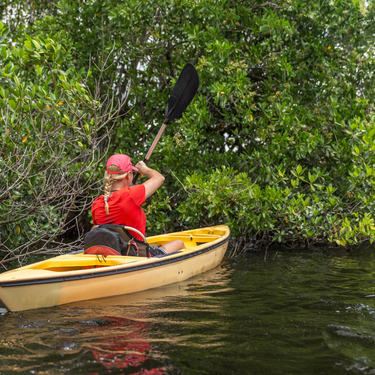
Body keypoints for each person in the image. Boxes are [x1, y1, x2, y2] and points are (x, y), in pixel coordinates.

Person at [91, 154, 185, 255]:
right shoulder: (130, 195)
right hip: (139, 257)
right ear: (128, 175)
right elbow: (159, 178)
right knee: (179, 243)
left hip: (113, 257)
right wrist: (144, 169)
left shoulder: (96, 204)